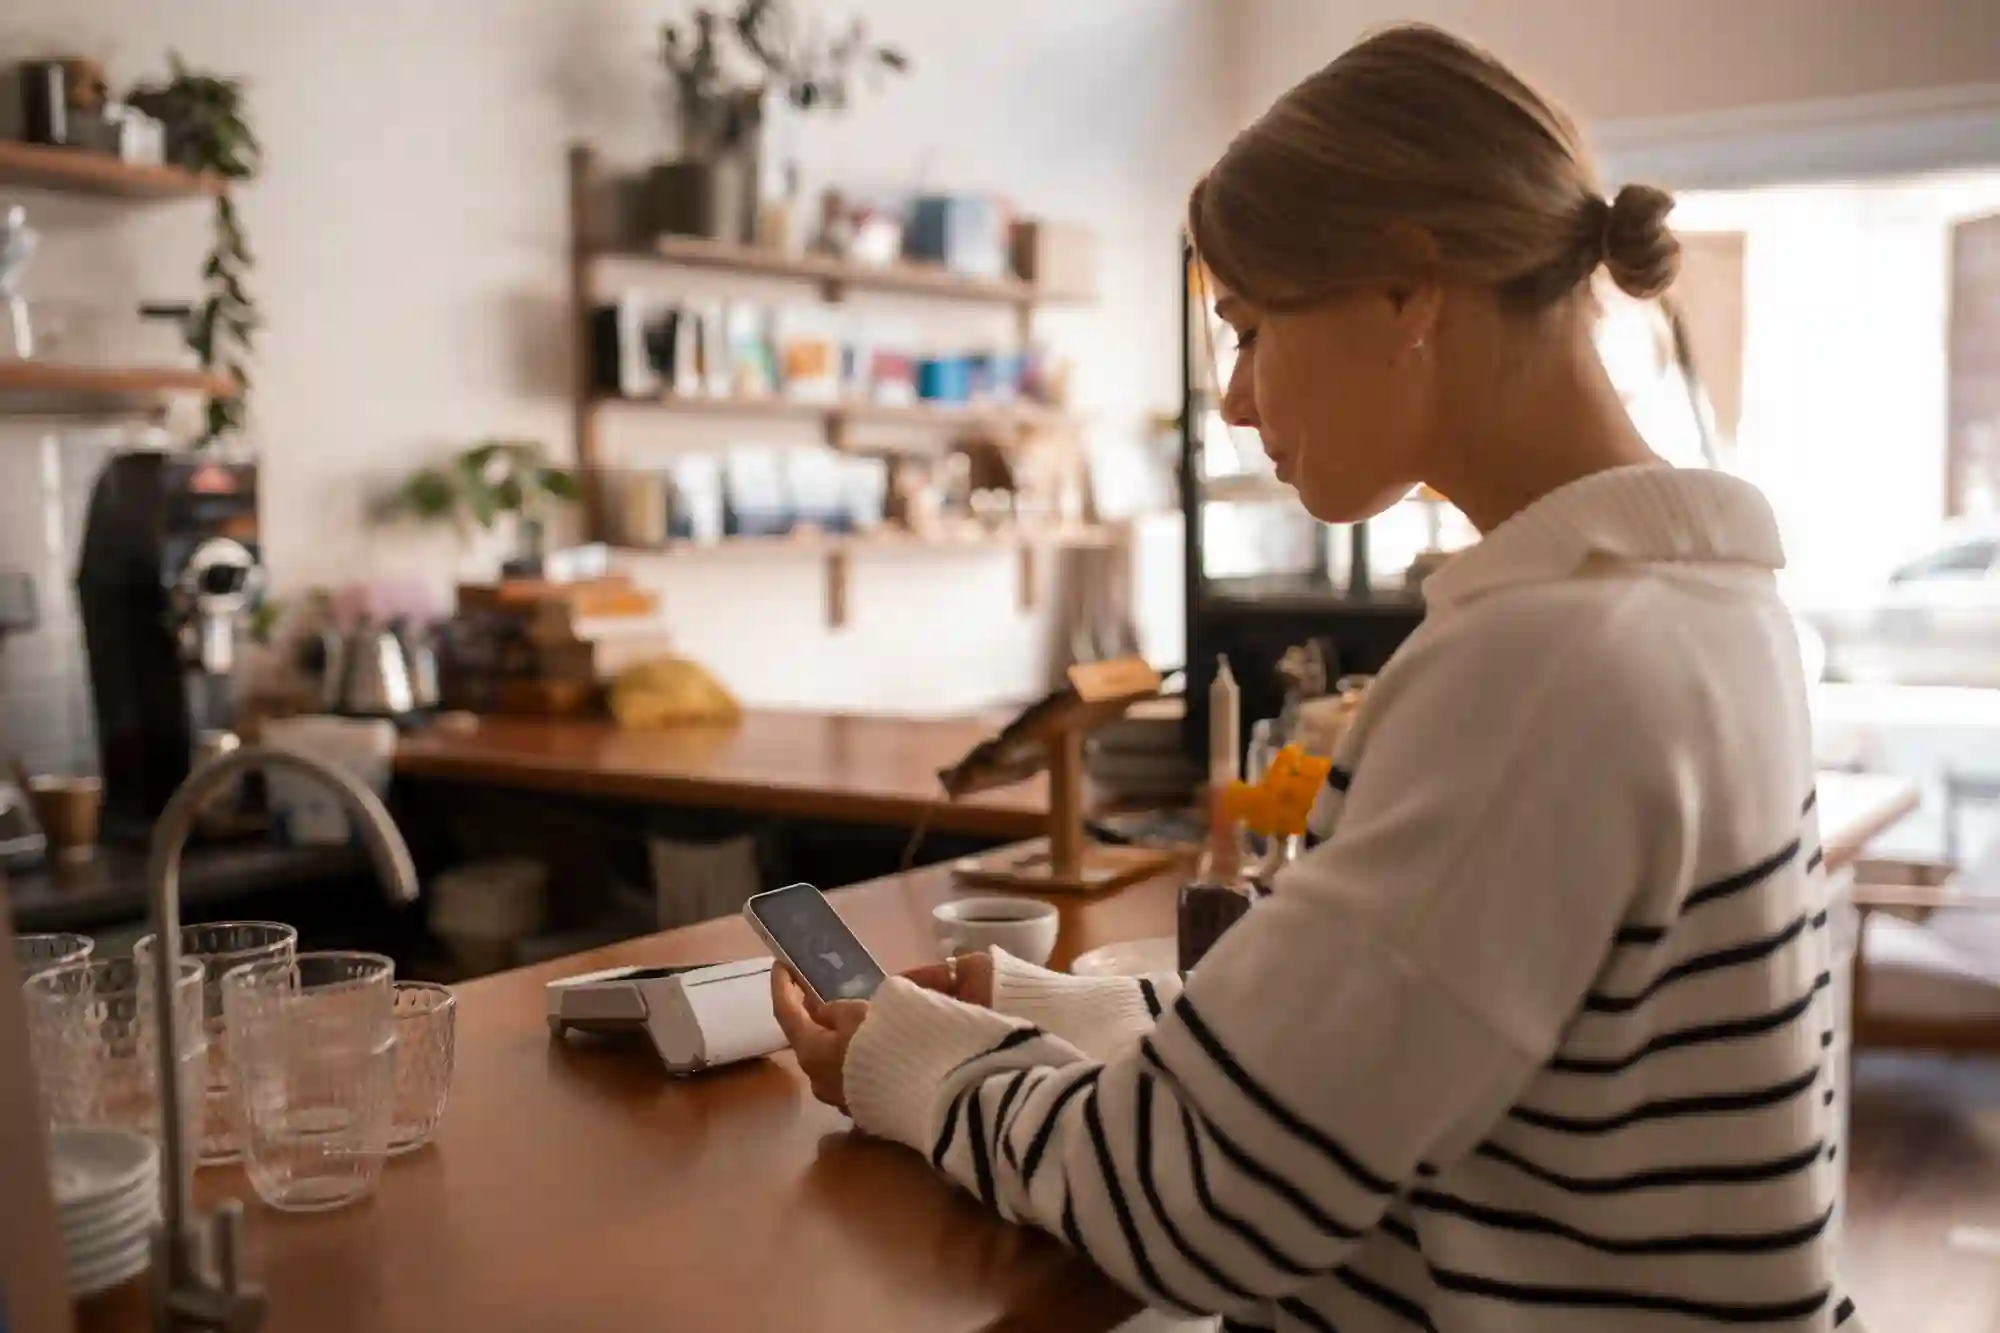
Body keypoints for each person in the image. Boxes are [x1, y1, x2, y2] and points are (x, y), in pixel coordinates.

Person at [774, 22, 1855, 1333]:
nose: (1231, 400)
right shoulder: (1711, 603)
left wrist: (912, 1061)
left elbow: (1197, 1206)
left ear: (1409, 289)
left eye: (1247, 329)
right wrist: (1049, 1007)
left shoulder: (1545, 668)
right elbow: (1404, 1038)